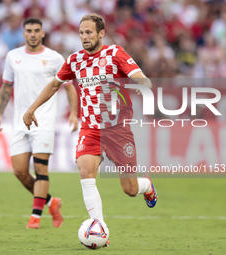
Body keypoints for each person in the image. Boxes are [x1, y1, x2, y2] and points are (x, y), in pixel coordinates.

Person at [23, 13, 158, 243]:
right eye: (81, 33)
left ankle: (146, 185)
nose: (84, 37)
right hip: (91, 128)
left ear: (101, 33)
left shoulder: (114, 53)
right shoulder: (75, 60)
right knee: (85, 172)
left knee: (129, 188)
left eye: (89, 32)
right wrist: (31, 109)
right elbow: (55, 84)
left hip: (118, 129)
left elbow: (138, 75)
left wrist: (142, 82)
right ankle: (100, 230)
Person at [0, 18, 78, 229]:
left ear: (43, 33)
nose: (32, 34)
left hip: (44, 121)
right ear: (23, 33)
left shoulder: (55, 58)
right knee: (20, 172)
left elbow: (69, 87)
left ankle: (35, 217)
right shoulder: (13, 57)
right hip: (19, 122)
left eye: (36, 30)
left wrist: (74, 113)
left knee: (41, 169)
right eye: (29, 30)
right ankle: (51, 202)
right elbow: (6, 88)